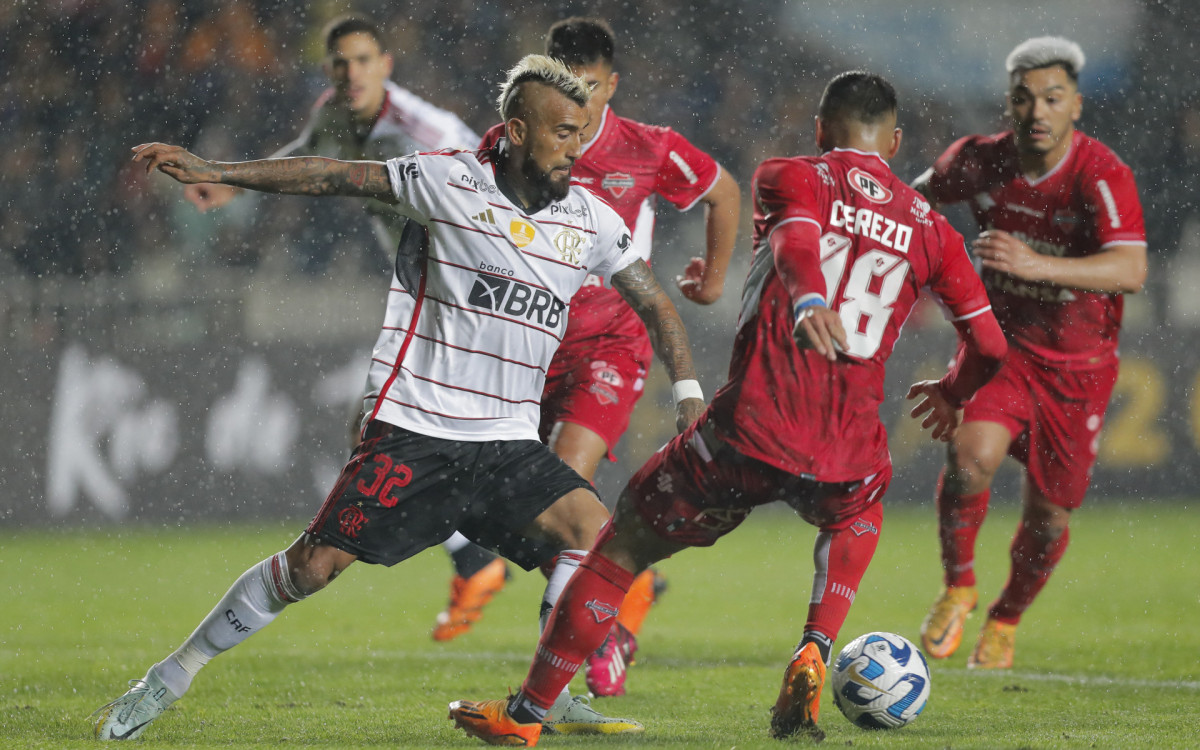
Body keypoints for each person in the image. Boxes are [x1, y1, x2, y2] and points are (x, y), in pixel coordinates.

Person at [94, 55, 706, 741]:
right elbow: (331, 175)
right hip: (419, 431)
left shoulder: (590, 219)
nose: (577, 146)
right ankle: (168, 678)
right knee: (312, 568)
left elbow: (655, 304)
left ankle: (547, 693)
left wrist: (687, 394)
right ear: (516, 129)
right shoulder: (449, 179)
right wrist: (218, 170)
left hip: (507, 443)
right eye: (563, 132)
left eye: (582, 131)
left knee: (597, 538)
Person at [448, 70, 1008, 746]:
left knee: (620, 547)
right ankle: (814, 647)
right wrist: (953, 391)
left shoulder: (790, 175)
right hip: (847, 449)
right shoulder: (931, 229)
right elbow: (990, 346)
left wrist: (806, 300)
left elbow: (798, 243)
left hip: (751, 431)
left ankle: (528, 716)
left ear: (820, 131)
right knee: (859, 511)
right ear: (892, 141)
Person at [183, 13, 515, 643]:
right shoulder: (335, 113)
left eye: (363, 60)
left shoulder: (427, 131)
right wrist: (234, 191)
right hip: (428, 297)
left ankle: (528, 561)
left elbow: (501, 191)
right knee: (393, 432)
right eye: (340, 63)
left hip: (473, 297)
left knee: (403, 433)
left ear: (387, 64)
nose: (351, 73)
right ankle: (502, 559)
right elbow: (306, 157)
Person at [476, 17, 741, 695]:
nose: (578, 103)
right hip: (527, 344)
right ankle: (622, 592)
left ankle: (552, 682)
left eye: (589, 87)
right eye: (564, 87)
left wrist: (712, 279)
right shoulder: (512, 144)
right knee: (526, 516)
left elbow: (724, 191)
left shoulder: (646, 148)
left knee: (567, 480)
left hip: (610, 343)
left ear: (611, 84)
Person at [913, 36, 1147, 670]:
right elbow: (912, 204)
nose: (1038, 111)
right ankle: (959, 585)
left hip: (1079, 370)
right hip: (1006, 351)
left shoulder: (1102, 174)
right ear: (1009, 105)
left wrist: (1035, 264)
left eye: (1052, 97)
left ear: (1076, 105)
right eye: (1024, 98)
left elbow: (1131, 268)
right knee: (969, 459)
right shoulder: (977, 162)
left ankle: (1006, 617)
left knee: (1049, 514)